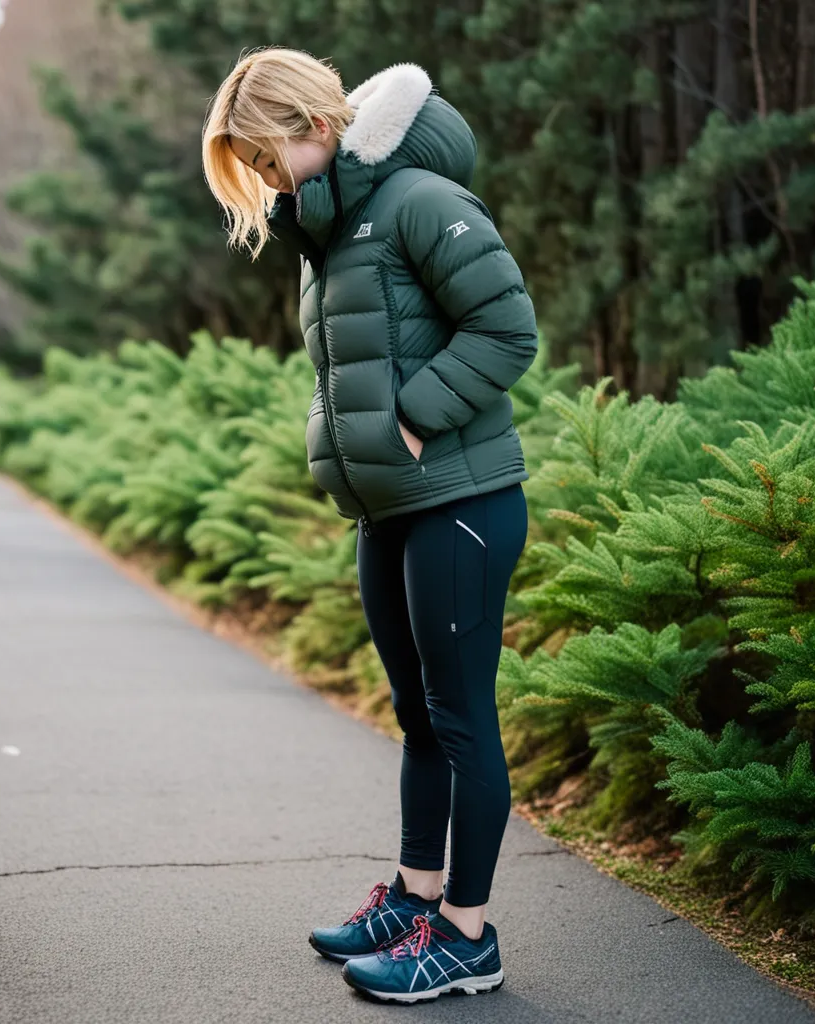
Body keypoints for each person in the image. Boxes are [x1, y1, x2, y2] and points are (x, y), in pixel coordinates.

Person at [202, 49, 537, 1004]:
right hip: (389, 511)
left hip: (460, 504)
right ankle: (415, 897)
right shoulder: (332, 230)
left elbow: (509, 329)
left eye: (268, 159)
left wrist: (415, 416)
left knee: (463, 721)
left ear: (314, 128)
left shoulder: (419, 200)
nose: (266, 184)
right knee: (417, 717)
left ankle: (467, 939)